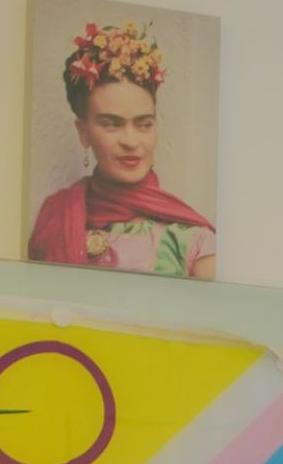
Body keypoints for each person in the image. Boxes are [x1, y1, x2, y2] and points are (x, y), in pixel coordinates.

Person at [28, 21, 215, 278]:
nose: (130, 141)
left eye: (144, 124)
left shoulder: (192, 240)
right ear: (83, 132)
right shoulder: (55, 219)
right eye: (111, 125)